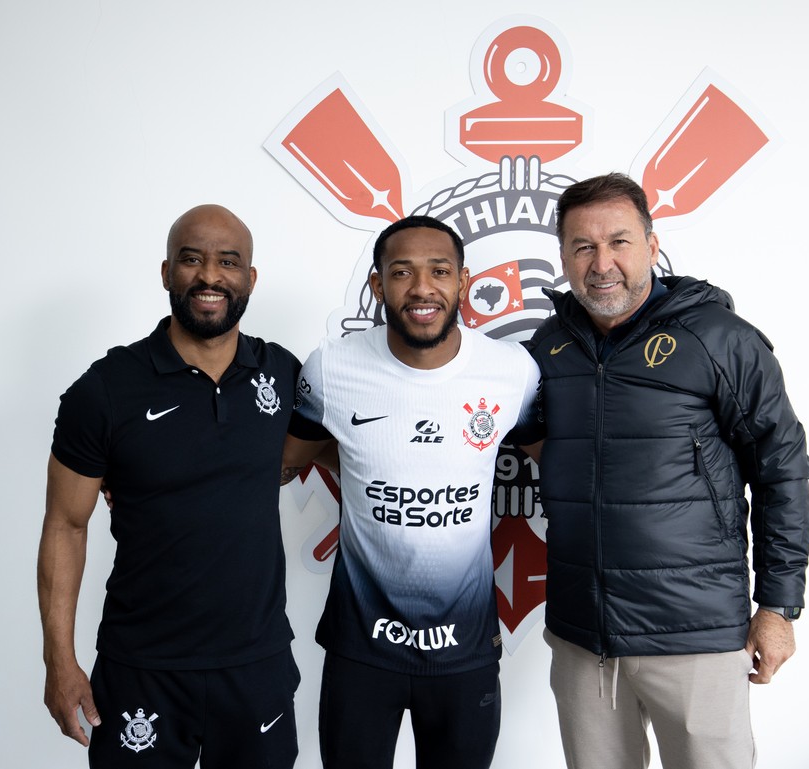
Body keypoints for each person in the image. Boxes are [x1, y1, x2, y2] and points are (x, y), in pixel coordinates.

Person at [526, 173, 809, 769]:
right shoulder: (546, 347)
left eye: (619, 242)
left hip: (694, 634)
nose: (602, 263)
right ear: (563, 257)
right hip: (584, 637)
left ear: (653, 247)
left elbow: (781, 467)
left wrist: (779, 607)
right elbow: (528, 439)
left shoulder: (718, 338)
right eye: (583, 246)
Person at [37, 204, 301, 769]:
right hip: (143, 668)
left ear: (250, 279)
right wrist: (59, 661)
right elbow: (66, 524)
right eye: (192, 260)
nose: (210, 276)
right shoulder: (105, 389)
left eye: (228, 262)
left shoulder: (281, 372)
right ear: (166, 273)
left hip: (256, 664)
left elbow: (329, 448)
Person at [281, 215, 541, 769]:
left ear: (464, 281)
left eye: (439, 271)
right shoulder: (332, 368)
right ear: (377, 285)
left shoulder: (511, 372)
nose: (422, 288)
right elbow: (287, 459)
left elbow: (561, 467)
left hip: (465, 647)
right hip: (361, 645)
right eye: (402, 272)